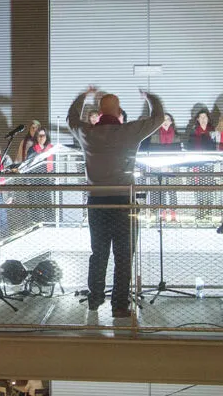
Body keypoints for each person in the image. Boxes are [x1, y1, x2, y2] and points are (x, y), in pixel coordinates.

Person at [67, 87, 164, 316]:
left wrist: (83, 96)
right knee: (123, 256)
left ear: (99, 112)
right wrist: (150, 97)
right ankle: (120, 305)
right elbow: (158, 118)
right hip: (123, 203)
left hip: (97, 203)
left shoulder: (87, 134)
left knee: (98, 253)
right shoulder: (129, 132)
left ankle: (95, 298)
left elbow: (72, 118)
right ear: (119, 112)